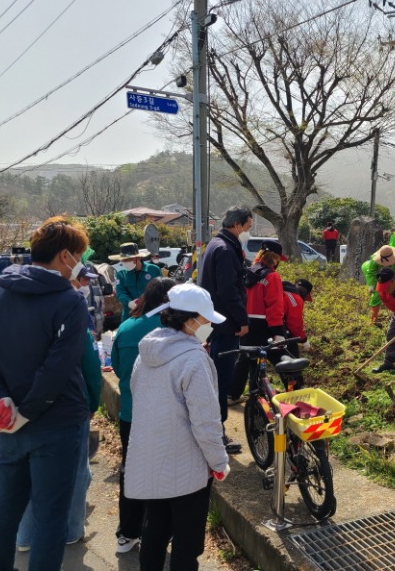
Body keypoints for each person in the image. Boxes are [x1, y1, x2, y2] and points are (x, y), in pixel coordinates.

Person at [0, 216, 91, 571]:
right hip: (56, 423)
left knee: (4, 511)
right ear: (65, 256)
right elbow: (58, 368)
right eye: (79, 255)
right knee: (50, 518)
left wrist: (2, 401)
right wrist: (29, 410)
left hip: (10, 425)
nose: (79, 263)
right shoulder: (69, 301)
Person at [125, 283, 230, 571]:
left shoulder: (146, 352)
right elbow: (206, 421)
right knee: (187, 542)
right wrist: (219, 462)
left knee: (154, 532)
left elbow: (138, 396)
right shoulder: (194, 358)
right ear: (191, 319)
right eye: (206, 319)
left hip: (152, 459)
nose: (208, 325)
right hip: (186, 467)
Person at [15, 266, 104, 552]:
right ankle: (70, 530)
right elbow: (90, 363)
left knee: (28, 471)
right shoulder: (71, 307)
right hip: (66, 406)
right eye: (81, 280)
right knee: (75, 472)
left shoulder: (11, 300)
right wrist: (93, 402)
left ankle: (25, 536)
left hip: (22, 404)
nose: (84, 286)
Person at [110, 277, 176, 554]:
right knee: (164, 474)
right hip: (165, 415)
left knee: (132, 471)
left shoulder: (125, 328)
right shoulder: (174, 331)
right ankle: (158, 533)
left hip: (130, 414)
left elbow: (115, 368)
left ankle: (127, 533)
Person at [198, 206, 253, 455]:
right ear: (238, 225)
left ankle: (214, 430)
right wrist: (242, 320)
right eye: (248, 227)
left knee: (215, 378)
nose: (247, 233)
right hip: (226, 324)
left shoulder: (216, 244)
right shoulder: (225, 249)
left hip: (215, 322)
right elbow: (228, 291)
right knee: (220, 379)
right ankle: (217, 434)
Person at [230, 240, 288, 401]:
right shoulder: (272, 277)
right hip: (264, 327)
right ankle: (293, 391)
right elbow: (274, 307)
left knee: (247, 360)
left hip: (245, 324)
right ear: (275, 258)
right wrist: (278, 332)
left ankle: (236, 394)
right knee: (281, 359)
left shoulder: (247, 273)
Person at [111, 242, 161, 321]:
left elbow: (161, 290)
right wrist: (129, 303)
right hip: (130, 315)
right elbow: (120, 292)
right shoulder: (121, 275)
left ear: (138, 258)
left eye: (129, 259)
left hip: (151, 313)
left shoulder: (154, 270)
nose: (126, 262)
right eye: (124, 260)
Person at [361, 245, 395, 323]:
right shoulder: (374, 260)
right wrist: (371, 285)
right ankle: (373, 320)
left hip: (394, 276)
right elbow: (371, 273)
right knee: (376, 295)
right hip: (377, 274)